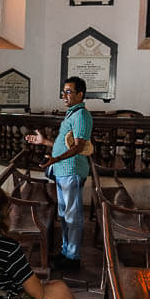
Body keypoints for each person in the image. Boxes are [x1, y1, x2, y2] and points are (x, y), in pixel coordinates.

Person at [26, 77, 93, 272]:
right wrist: (44, 142)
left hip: (71, 170)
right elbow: (65, 143)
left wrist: (54, 160)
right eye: (63, 91)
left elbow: (79, 146)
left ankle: (73, 258)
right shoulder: (72, 114)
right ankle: (65, 253)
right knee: (64, 215)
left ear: (80, 94)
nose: (64, 95)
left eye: (69, 91)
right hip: (64, 171)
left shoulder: (81, 115)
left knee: (72, 216)